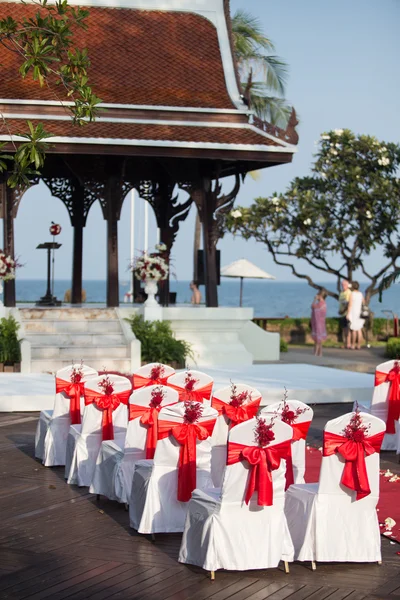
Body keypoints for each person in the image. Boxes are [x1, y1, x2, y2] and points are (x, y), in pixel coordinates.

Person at [346, 281, 365, 349]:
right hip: (359, 313)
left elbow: (350, 305)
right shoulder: (360, 294)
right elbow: (364, 302)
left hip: (353, 313)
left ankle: (353, 344)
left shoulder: (352, 294)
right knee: (359, 330)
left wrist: (348, 314)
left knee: (353, 329)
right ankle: (359, 345)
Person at [311, 288, 327, 357]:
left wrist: (314, 299)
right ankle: (320, 353)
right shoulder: (324, 304)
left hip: (318, 324)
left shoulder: (320, 304)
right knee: (319, 340)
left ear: (320, 296)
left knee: (317, 340)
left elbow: (312, 306)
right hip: (321, 323)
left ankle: (315, 353)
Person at [338, 279, 352, 349]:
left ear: (347, 285)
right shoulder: (341, 293)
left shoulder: (348, 292)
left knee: (347, 330)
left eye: (344, 284)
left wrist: (344, 311)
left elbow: (348, 303)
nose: (343, 286)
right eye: (342, 284)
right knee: (344, 329)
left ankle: (348, 343)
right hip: (342, 313)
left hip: (346, 313)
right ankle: (345, 343)